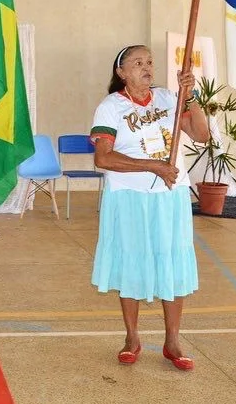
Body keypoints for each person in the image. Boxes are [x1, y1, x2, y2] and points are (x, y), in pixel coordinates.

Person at [88, 44, 209, 370]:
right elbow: (103, 157)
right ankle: (132, 336)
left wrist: (192, 96)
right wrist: (153, 166)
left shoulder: (171, 98)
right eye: (138, 63)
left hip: (170, 196)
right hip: (129, 198)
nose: (147, 67)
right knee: (131, 261)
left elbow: (202, 135)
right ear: (121, 72)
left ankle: (172, 341)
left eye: (150, 62)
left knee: (171, 260)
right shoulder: (110, 107)